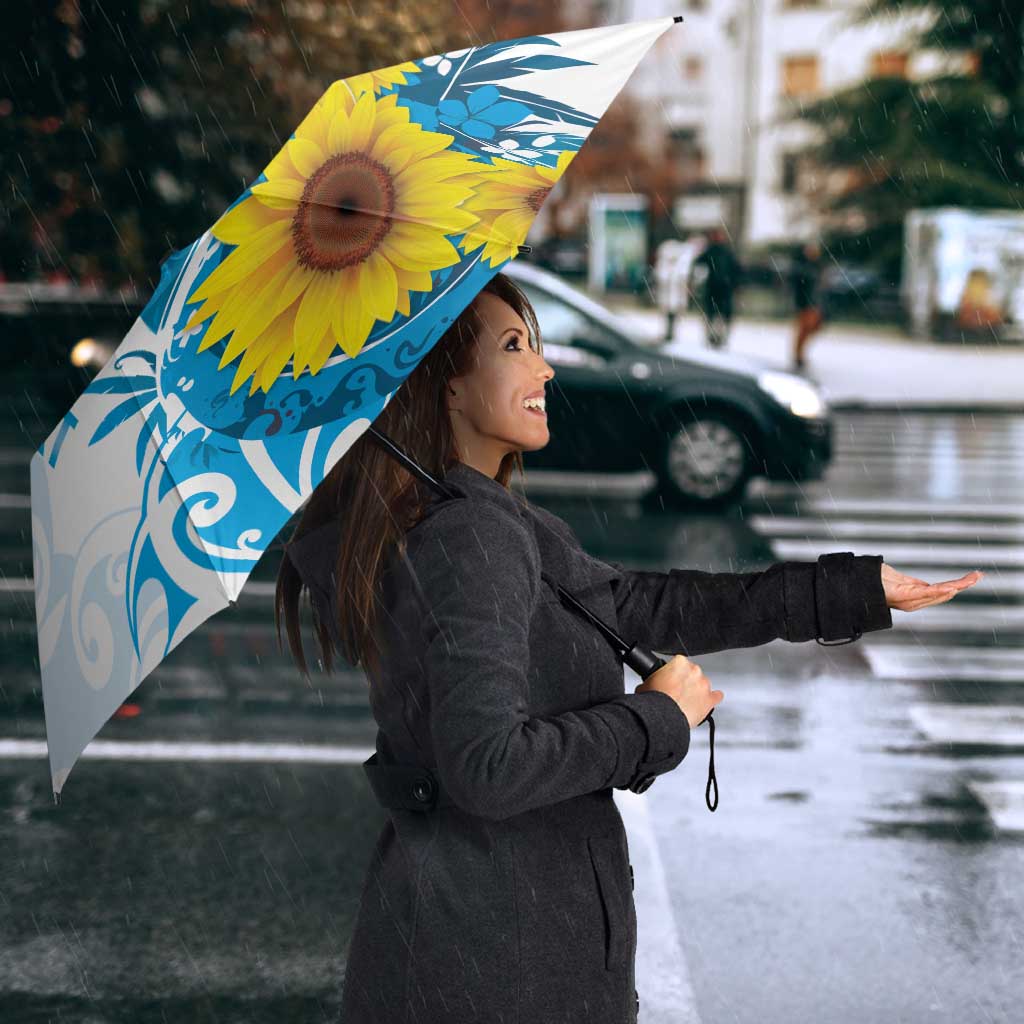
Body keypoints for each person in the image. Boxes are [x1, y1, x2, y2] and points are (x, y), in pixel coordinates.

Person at [276, 272, 981, 1024]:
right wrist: (655, 719)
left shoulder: (479, 519)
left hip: (480, 943)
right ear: (446, 387)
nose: (544, 368)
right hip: (496, 962)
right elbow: (487, 767)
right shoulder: (469, 536)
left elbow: (644, 605)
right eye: (514, 346)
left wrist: (849, 590)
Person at [692, 226, 742, 349]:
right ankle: (713, 337)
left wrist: (735, 284)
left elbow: (736, 270)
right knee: (713, 314)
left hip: (723, 288)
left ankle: (719, 337)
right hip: (715, 288)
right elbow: (698, 264)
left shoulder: (725, 252)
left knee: (720, 315)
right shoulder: (712, 251)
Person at [790, 239, 826, 370]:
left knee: (812, 328)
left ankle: (799, 354)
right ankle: (798, 355)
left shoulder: (817, 266)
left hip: (814, 303)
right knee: (804, 329)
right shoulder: (802, 267)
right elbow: (799, 286)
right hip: (805, 303)